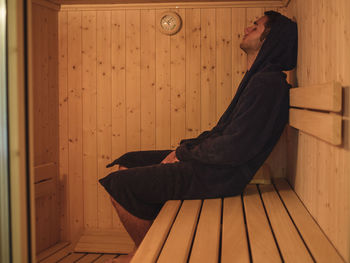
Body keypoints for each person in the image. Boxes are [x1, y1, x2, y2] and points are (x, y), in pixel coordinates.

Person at [100, 10, 297, 263]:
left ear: (270, 40)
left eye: (256, 27)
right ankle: (150, 247)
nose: (248, 28)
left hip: (220, 176)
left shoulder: (267, 84)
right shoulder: (258, 80)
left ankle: (150, 255)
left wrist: (183, 154)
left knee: (119, 184)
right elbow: (224, 133)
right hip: (214, 168)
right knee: (128, 161)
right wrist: (186, 147)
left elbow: (235, 147)